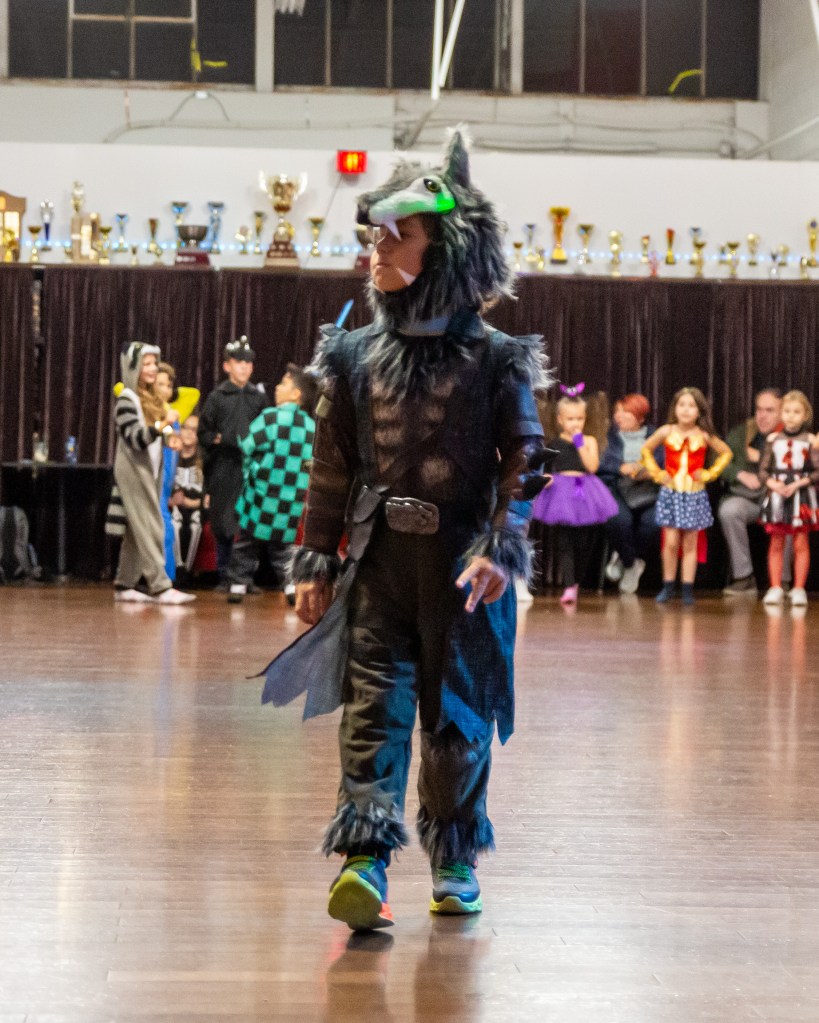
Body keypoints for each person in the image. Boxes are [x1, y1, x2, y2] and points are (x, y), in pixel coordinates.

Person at [259, 129, 549, 930]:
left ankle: (454, 857)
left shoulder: (497, 359)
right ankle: (365, 860)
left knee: (456, 721)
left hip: (465, 573)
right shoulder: (352, 355)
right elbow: (331, 464)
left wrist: (502, 545)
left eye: (399, 233)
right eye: (374, 235)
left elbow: (525, 457)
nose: (377, 249)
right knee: (372, 712)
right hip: (378, 564)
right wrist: (314, 562)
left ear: (448, 248)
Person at [107, 342, 195, 604]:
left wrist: (170, 437)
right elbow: (135, 438)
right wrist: (162, 426)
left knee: (137, 531)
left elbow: (157, 432)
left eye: (154, 363)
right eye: (146, 363)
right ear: (132, 366)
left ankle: (125, 584)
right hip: (133, 470)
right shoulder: (127, 400)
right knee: (150, 527)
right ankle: (160, 586)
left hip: (150, 470)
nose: (153, 368)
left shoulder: (150, 398)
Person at [226, 364, 318, 604]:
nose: (276, 387)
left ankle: (238, 584)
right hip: (291, 499)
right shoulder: (311, 427)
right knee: (283, 546)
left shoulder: (271, 418)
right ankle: (290, 587)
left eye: (283, 383)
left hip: (262, 494)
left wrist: (251, 469)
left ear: (296, 394)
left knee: (246, 541)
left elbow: (247, 444)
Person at [641, 387, 732, 606]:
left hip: (694, 493)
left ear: (699, 411)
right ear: (675, 408)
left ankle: (687, 587)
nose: (686, 410)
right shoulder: (666, 431)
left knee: (691, 543)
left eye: (691, 406)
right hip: (671, 492)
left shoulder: (703, 435)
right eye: (682, 405)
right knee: (671, 542)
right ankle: (667, 585)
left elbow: (726, 453)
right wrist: (657, 473)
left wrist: (709, 474)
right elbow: (646, 450)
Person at [531, 384, 618, 605]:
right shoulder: (554, 443)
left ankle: (577, 581)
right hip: (561, 494)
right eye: (570, 419)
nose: (575, 423)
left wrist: (580, 442)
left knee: (583, 543)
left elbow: (592, 466)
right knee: (565, 541)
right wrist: (547, 478)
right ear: (560, 420)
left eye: (579, 418)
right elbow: (546, 469)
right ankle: (569, 585)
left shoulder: (589, 441)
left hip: (585, 490)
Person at [198, 337, 267, 586]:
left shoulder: (258, 398)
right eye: (239, 362)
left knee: (248, 522)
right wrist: (221, 439)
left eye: (248, 363)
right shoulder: (217, 397)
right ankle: (225, 574)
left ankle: (244, 577)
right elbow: (204, 433)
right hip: (223, 467)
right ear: (227, 366)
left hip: (250, 469)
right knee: (223, 522)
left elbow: (265, 431)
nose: (245, 367)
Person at [718, 389, 783, 595]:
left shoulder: (790, 435)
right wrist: (739, 474)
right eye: (759, 410)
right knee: (729, 510)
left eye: (770, 410)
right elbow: (719, 461)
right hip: (747, 499)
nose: (762, 416)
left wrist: (763, 457)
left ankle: (783, 581)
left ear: (782, 412)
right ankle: (743, 577)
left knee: (791, 515)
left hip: (777, 499)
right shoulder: (742, 433)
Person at [758, 390, 819, 607]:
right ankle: (775, 587)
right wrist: (773, 484)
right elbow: (763, 470)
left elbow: (817, 471)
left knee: (801, 542)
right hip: (778, 494)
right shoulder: (773, 439)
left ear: (805, 415)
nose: (791, 416)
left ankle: (799, 588)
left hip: (801, 495)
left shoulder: (811, 440)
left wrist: (798, 484)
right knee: (776, 541)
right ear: (781, 413)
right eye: (787, 411)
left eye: (796, 412)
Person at [598, 393, 662, 595]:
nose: (619, 416)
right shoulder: (608, 436)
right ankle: (630, 564)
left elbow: (664, 463)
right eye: (617, 411)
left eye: (626, 412)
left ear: (640, 417)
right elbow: (599, 463)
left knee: (653, 523)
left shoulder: (656, 436)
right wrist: (621, 467)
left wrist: (648, 472)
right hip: (616, 487)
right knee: (618, 520)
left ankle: (625, 557)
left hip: (648, 491)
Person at [170, 414, 205, 586]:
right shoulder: (171, 457)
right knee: (175, 520)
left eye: (195, 429)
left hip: (196, 506)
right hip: (174, 507)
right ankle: (178, 567)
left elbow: (208, 497)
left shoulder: (203, 460)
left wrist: (190, 503)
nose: (190, 433)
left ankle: (187, 571)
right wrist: (171, 501)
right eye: (186, 428)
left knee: (195, 522)